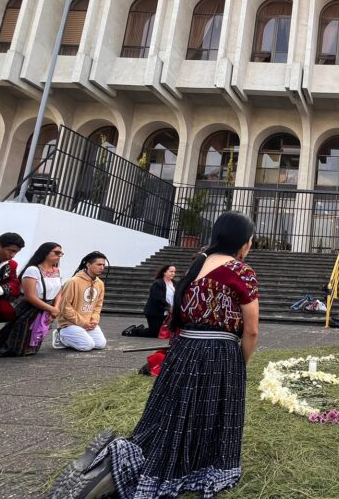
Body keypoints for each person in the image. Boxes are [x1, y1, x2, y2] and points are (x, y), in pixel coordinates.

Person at [52, 211, 259, 499]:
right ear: (243, 242)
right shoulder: (240, 270)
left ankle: (113, 464)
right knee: (208, 413)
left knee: (174, 413)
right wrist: (241, 364)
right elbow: (251, 331)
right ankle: (187, 465)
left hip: (184, 349)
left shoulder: (196, 265)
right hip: (218, 351)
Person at [0, 242, 63, 356]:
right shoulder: (33, 270)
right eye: (56, 252)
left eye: (61, 253)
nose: (59, 256)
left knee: (32, 344)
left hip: (47, 307)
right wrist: (51, 309)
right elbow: (29, 296)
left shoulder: (57, 271)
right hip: (30, 308)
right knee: (16, 346)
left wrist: (55, 308)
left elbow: (59, 291)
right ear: (45, 253)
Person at [54, 252, 107, 352]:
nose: (102, 267)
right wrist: (83, 323)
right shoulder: (73, 282)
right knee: (87, 346)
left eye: (103, 265)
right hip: (69, 324)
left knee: (100, 344)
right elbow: (65, 307)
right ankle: (61, 337)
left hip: (88, 323)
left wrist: (94, 320)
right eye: (99, 264)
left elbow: (98, 306)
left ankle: (79, 335)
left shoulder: (100, 284)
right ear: (88, 265)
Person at [123, 265, 176, 338]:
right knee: (154, 333)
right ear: (164, 272)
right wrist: (168, 307)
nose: (173, 273)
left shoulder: (174, 284)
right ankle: (134, 331)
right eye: (171, 271)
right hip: (154, 313)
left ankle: (142, 328)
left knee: (160, 331)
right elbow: (157, 299)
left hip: (166, 312)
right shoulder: (158, 283)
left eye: (174, 272)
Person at [0, 232, 25, 324]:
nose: (13, 255)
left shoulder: (12, 264)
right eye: (10, 251)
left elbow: (15, 286)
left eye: (16, 252)